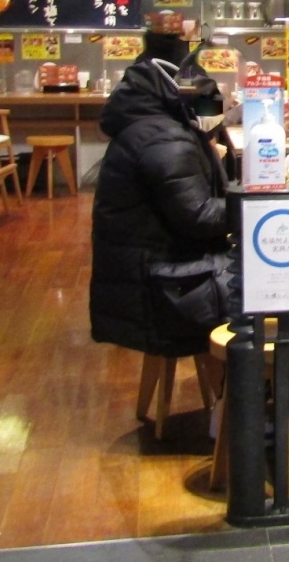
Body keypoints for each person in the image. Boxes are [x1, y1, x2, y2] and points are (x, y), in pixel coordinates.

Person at [90, 54, 233, 359]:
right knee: (270, 288)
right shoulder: (165, 139)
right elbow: (199, 216)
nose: (214, 111)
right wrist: (255, 209)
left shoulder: (147, 124)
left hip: (146, 275)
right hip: (163, 290)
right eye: (209, 99)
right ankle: (257, 379)